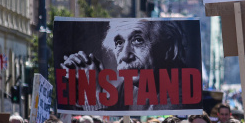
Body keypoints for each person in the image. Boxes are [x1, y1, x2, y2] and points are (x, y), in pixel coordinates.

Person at [59, 20, 191, 111]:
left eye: (138, 40)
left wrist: (93, 92)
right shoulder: (131, 86)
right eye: (119, 42)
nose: (124, 55)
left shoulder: (179, 100)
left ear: (169, 49)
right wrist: (84, 83)